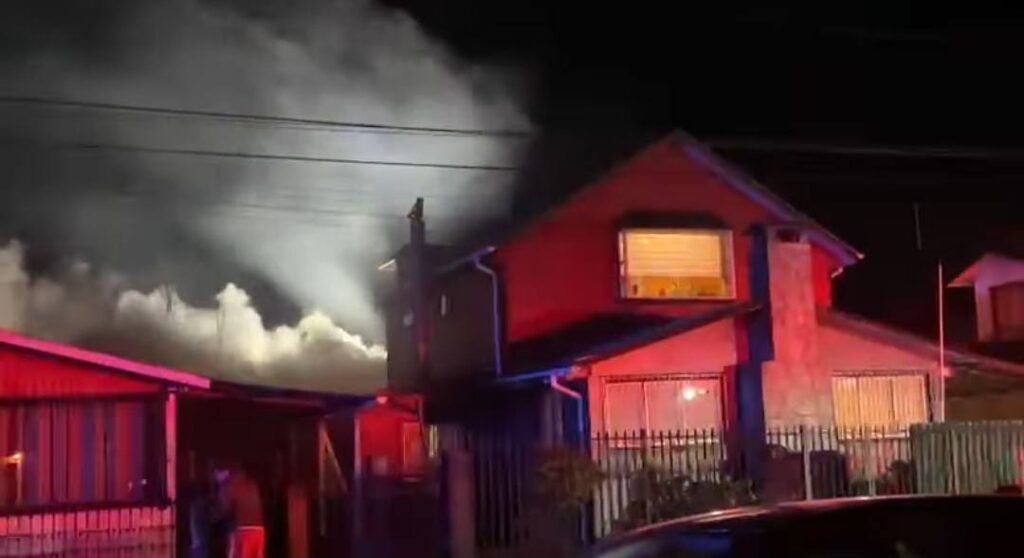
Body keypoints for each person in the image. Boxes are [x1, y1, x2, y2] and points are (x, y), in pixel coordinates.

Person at [214, 462, 266, 558]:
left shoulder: (229, 485)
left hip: (243, 530)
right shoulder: (251, 484)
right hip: (259, 529)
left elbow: (224, 510)